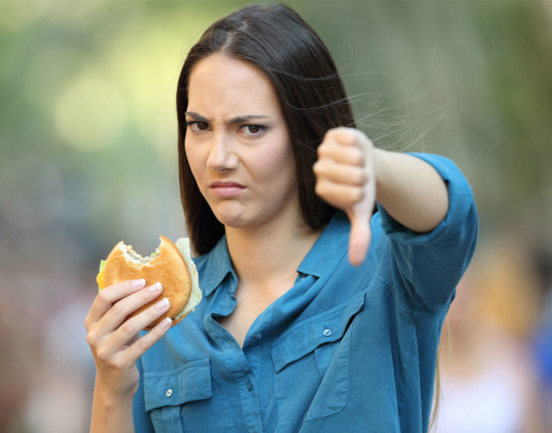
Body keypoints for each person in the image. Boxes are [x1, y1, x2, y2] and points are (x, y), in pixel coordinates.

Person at [84, 3, 478, 433]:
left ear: (305, 131)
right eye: (199, 126)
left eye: (250, 128)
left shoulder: (385, 267)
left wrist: (376, 167)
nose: (218, 158)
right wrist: (111, 388)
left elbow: (450, 214)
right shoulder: (161, 315)